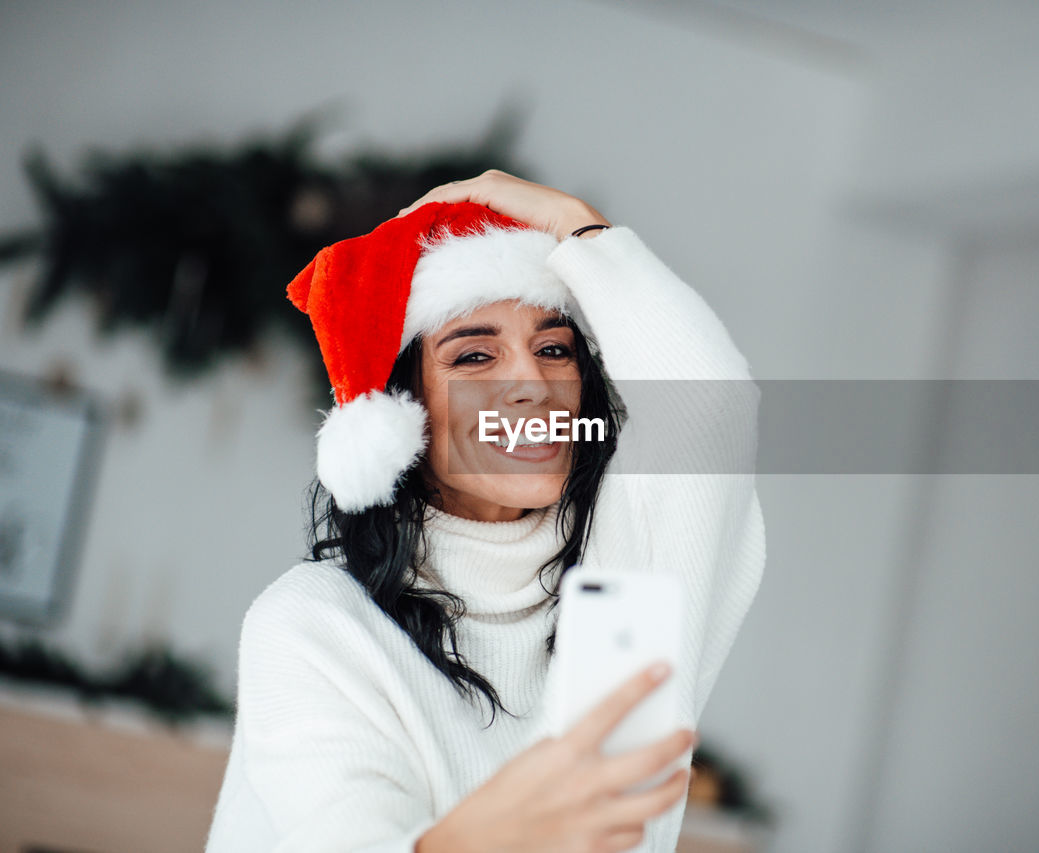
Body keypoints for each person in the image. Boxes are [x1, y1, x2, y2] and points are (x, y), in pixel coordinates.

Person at [205, 170, 766, 852]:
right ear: (403, 411)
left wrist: (574, 221)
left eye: (554, 348)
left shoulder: (629, 581)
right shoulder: (315, 623)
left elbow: (711, 408)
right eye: (474, 355)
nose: (531, 384)